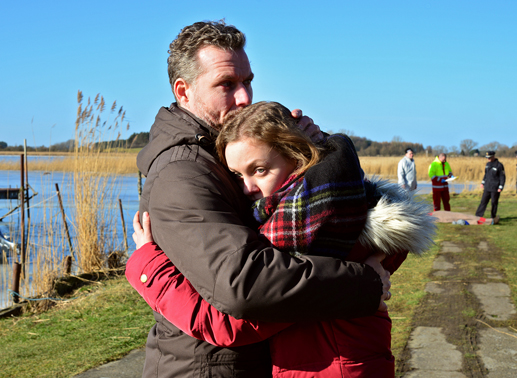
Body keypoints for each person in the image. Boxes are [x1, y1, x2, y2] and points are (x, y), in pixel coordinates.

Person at [130, 20, 390, 378]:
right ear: (183, 91)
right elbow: (245, 285)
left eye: (247, 82)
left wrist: (308, 153)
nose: (244, 98)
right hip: (207, 368)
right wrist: (366, 283)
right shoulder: (183, 173)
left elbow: (340, 218)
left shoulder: (229, 151)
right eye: (226, 85)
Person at [127, 101, 435, 377]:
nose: (247, 187)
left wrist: (147, 266)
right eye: (237, 175)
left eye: (259, 170)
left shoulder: (310, 234)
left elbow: (225, 325)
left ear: (298, 157)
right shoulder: (343, 203)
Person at [475, 151, 505, 220]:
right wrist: (482, 182)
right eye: (487, 158)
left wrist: (501, 187)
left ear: (493, 156)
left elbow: (502, 177)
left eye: (489, 158)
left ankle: (493, 217)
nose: (488, 159)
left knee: (494, 202)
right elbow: (486, 175)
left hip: (495, 188)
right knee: (483, 201)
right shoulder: (487, 164)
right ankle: (478, 215)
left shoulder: (499, 165)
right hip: (487, 187)